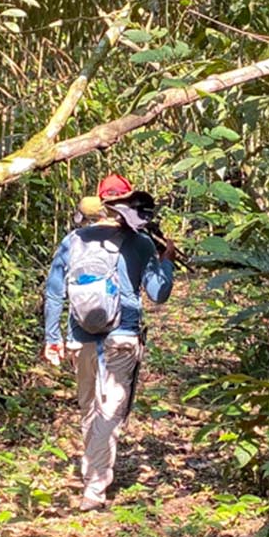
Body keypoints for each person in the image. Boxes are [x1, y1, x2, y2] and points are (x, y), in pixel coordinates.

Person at [42, 173, 176, 511]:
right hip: (123, 337)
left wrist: (52, 338)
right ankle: (95, 487)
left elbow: (54, 292)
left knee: (90, 408)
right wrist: (167, 263)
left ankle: (93, 469)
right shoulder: (141, 242)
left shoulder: (72, 241)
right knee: (110, 412)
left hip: (80, 338)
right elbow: (158, 294)